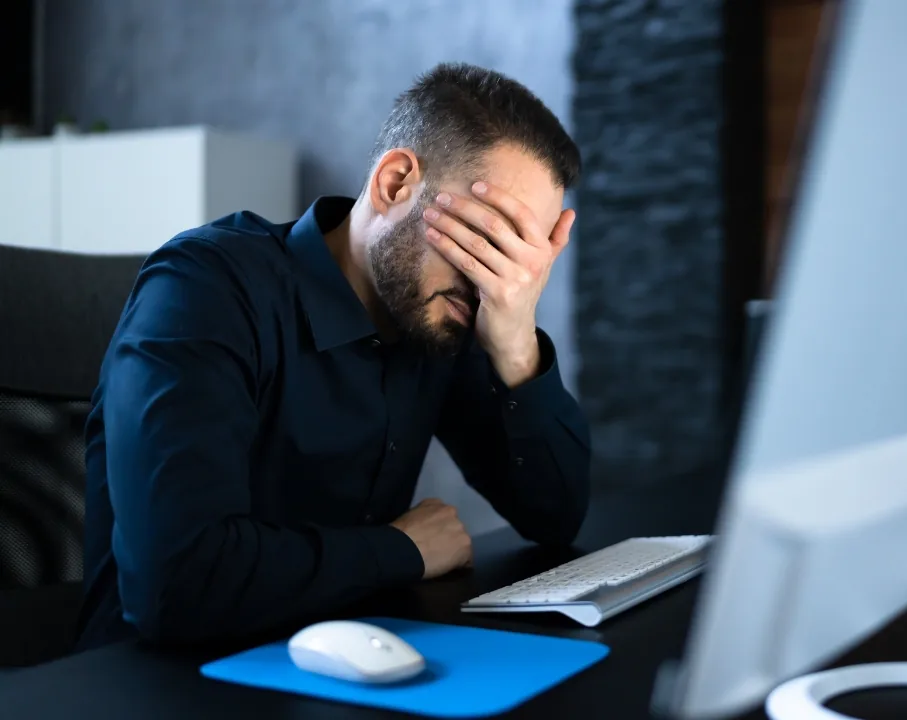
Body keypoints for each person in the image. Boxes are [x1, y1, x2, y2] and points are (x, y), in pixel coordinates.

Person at [75, 63, 589, 650]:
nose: (498, 281)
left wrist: (518, 341)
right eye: (487, 243)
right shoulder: (203, 289)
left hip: (335, 661)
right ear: (396, 183)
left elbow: (556, 519)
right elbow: (177, 585)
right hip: (155, 685)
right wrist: (403, 550)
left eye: (521, 260)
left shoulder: (447, 316)